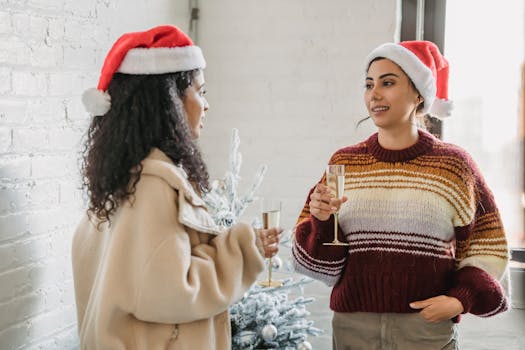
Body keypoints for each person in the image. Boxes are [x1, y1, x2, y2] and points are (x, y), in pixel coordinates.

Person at [71, 25, 282, 350]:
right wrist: (241, 248)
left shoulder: (120, 181)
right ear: (169, 101)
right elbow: (172, 291)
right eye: (201, 91)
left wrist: (248, 241)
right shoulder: (153, 188)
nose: (206, 104)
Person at [291, 40, 509, 350]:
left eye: (388, 82)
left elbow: (489, 244)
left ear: (419, 93)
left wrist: (460, 300)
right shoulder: (344, 163)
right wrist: (322, 221)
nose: (374, 94)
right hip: (353, 330)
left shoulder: (453, 165)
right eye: (369, 85)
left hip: (424, 331)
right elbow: (319, 265)